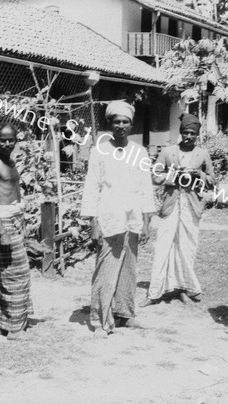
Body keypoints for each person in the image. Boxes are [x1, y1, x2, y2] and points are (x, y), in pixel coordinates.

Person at [80, 101, 156, 338]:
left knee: (129, 269)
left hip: (132, 217)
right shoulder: (99, 151)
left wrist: (145, 223)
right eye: (116, 122)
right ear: (110, 125)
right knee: (106, 268)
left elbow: (145, 188)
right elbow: (91, 188)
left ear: (131, 124)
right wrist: (93, 222)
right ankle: (99, 319)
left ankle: (124, 313)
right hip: (108, 217)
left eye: (125, 122)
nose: (121, 126)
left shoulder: (140, 152)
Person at [140, 114, 215, 307]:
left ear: (197, 135)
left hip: (192, 205)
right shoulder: (168, 152)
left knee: (187, 247)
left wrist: (198, 174)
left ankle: (183, 288)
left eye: (193, 133)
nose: (189, 136)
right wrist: (173, 176)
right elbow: (155, 175)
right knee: (163, 245)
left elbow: (213, 181)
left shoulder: (202, 154)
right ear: (180, 133)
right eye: (185, 132)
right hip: (170, 204)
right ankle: (155, 291)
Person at [0, 124, 33, 340]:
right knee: (11, 273)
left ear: (16, 140)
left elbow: (15, 191)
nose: (7, 143)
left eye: (10, 139)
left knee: (19, 272)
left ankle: (11, 322)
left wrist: (22, 218)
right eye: (2, 139)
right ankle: (14, 329)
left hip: (15, 217)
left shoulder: (12, 162)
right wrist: (1, 230)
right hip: (2, 221)